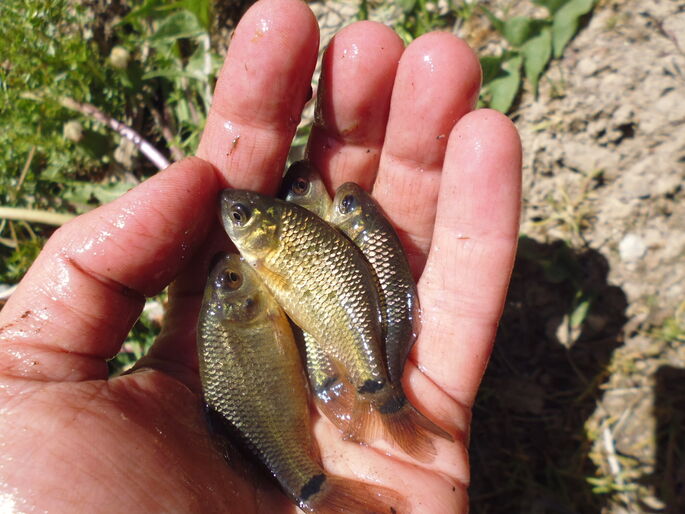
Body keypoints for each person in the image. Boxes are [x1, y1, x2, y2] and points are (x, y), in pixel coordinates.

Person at [0, 0, 521, 512]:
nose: (234, 230)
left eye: (245, 222)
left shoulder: (287, 253)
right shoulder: (269, 272)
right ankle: (337, 456)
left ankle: (371, 410)